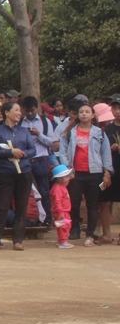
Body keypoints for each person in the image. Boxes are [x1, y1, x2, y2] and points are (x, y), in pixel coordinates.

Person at [56, 100, 113, 247]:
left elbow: (106, 153)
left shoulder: (99, 132)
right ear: (78, 115)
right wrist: (67, 169)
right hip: (75, 174)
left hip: (94, 173)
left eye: (87, 112)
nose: (84, 114)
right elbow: (62, 151)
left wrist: (107, 172)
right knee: (73, 202)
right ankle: (74, 229)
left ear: (93, 115)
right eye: (81, 112)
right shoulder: (70, 132)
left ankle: (89, 234)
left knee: (92, 205)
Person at [0, 101, 38, 251]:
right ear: (6, 113)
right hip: (5, 172)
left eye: (19, 110)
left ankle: (18, 240)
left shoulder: (24, 131)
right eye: (15, 110)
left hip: (24, 172)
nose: (19, 113)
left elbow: (33, 150)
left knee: (22, 206)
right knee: (2, 206)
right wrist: (10, 152)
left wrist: (21, 154)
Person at [20, 95, 56, 224]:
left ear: (37, 108)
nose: (30, 113)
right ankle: (29, 218)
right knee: (25, 191)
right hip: (25, 161)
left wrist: (38, 134)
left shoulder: (45, 122)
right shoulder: (20, 123)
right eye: (27, 111)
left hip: (40, 160)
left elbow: (52, 142)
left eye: (32, 110)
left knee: (44, 190)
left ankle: (47, 218)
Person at [99, 103, 120, 245]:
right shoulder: (107, 130)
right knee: (105, 201)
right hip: (112, 169)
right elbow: (102, 152)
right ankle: (106, 234)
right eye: (114, 108)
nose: (117, 111)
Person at [50, 164, 74, 248]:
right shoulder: (57, 189)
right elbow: (57, 201)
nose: (68, 179)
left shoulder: (61, 186)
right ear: (60, 178)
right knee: (63, 227)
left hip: (64, 211)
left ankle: (63, 240)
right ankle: (62, 241)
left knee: (66, 225)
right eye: (66, 177)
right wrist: (60, 212)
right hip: (61, 212)